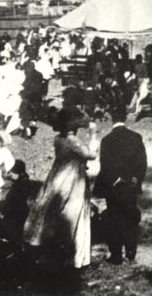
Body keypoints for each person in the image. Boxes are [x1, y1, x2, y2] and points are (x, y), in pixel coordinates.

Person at [23, 107, 98, 282]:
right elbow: (90, 155)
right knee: (72, 211)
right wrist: (93, 137)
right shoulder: (72, 141)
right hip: (72, 178)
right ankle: (70, 255)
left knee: (51, 207)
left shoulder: (59, 139)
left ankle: (49, 249)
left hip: (58, 174)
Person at [94, 110, 147, 265]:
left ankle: (116, 254)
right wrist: (136, 180)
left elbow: (105, 166)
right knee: (130, 218)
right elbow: (142, 163)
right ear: (125, 119)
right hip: (130, 185)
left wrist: (113, 180)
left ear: (112, 119)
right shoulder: (136, 137)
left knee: (114, 219)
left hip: (114, 187)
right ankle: (131, 253)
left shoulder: (107, 140)